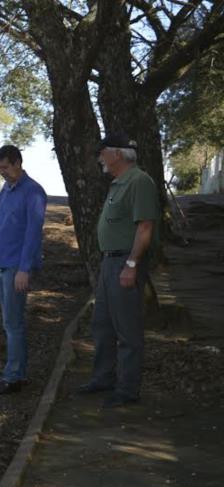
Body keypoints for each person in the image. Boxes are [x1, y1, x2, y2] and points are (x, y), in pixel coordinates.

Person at [77, 132, 159, 408]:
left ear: (118, 154)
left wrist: (132, 265)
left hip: (125, 262)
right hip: (109, 263)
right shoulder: (118, 183)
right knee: (102, 324)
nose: (100, 157)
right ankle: (103, 378)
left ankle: (127, 389)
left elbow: (145, 227)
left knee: (127, 330)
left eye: (103, 151)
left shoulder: (139, 181)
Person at [0, 145, 47, 395]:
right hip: (1, 263)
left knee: (13, 323)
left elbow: (33, 234)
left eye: (6, 167)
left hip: (16, 268)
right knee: (8, 322)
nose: (2, 173)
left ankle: (14, 377)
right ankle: (13, 371)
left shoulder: (33, 192)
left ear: (18, 162)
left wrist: (25, 269)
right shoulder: (5, 190)